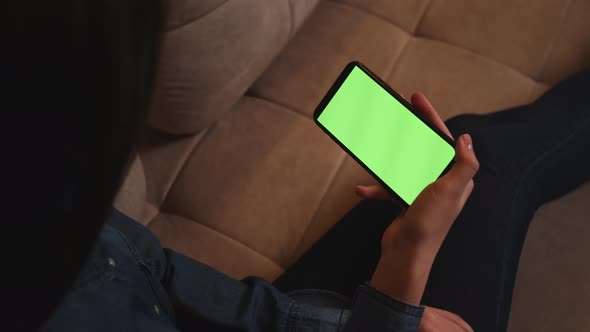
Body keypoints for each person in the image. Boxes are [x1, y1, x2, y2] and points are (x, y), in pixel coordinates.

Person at [5, 1, 588, 331]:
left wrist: (376, 306)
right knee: (485, 173)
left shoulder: (49, 214)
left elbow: (164, 279)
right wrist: (403, 280)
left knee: (446, 173)